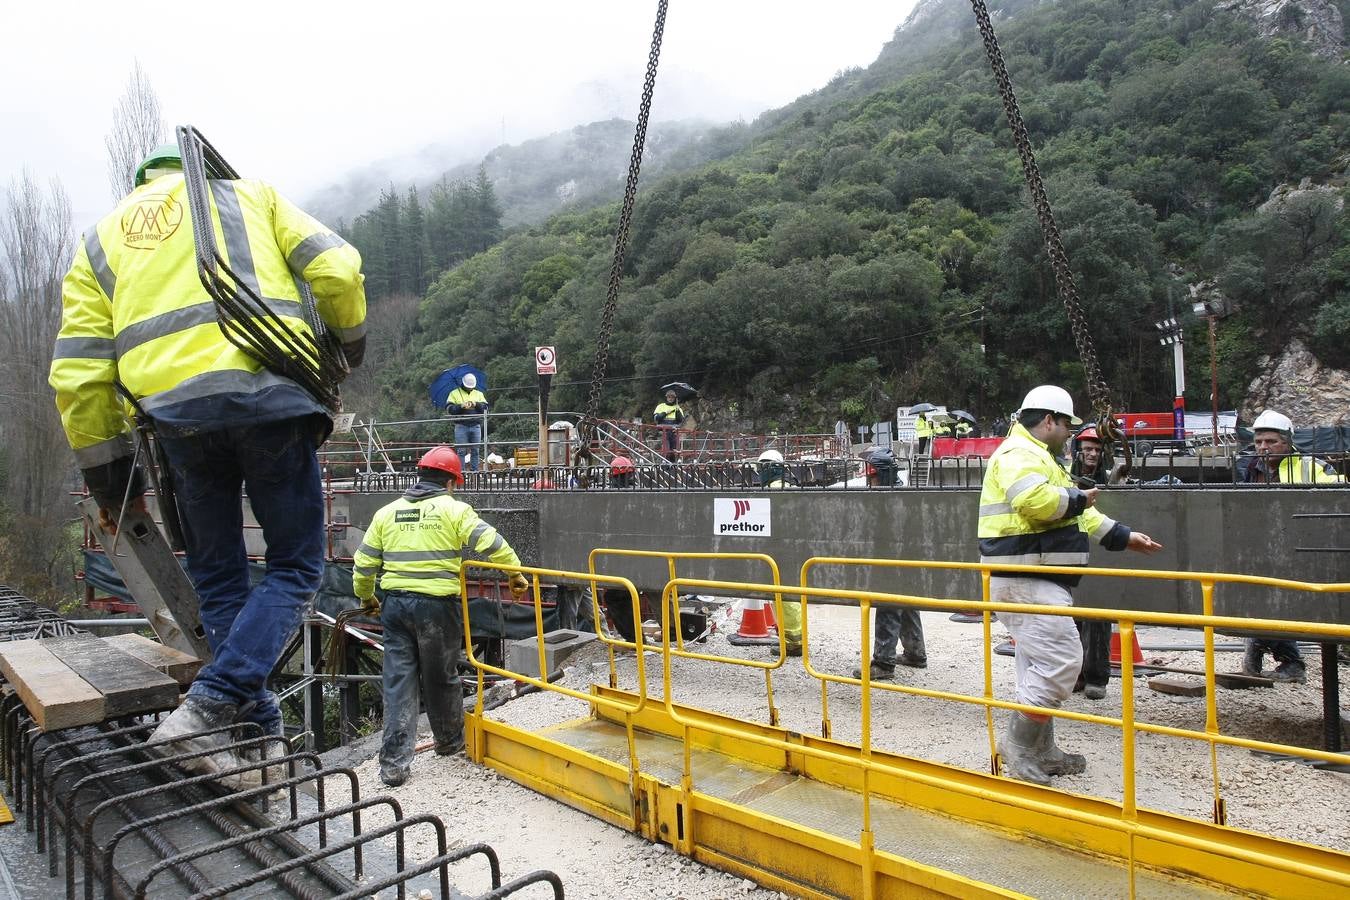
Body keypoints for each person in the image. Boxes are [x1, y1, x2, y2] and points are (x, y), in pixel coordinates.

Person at [49, 143, 367, 787]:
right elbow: (337, 268)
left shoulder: (100, 242)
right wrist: (350, 344)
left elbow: (79, 375)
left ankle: (257, 738)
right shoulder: (251, 196)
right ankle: (209, 709)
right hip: (272, 403)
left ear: (141, 184)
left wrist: (113, 485)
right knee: (297, 568)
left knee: (219, 580)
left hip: (178, 428)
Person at [978, 385, 1162, 785]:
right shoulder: (1018, 455)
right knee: (1062, 661)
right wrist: (1077, 498)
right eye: (1066, 425)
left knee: (1037, 665)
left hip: (1034, 576)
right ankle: (1020, 748)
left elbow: (1078, 516)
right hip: (1024, 577)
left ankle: (1042, 750)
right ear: (1048, 421)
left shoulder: (1042, 458)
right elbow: (1039, 504)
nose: (1070, 434)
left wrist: (1121, 535)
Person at [353, 446, 529, 787]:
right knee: (440, 676)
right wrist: (514, 572)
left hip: (394, 606)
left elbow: (363, 564)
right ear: (450, 481)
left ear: (420, 476)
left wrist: (366, 596)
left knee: (398, 681)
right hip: (436, 607)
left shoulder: (387, 513)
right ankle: (449, 741)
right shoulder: (453, 510)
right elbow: (490, 542)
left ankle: (393, 765)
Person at [1238, 409, 1344, 683]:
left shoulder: (1311, 467)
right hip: (1264, 549)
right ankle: (1267, 649)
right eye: (1259, 441)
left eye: (1271, 441)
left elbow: (1341, 497)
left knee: (1282, 603)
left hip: (1301, 550)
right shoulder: (1249, 469)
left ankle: (1285, 658)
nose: (1263, 447)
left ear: (1287, 442)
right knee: (1261, 599)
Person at [1068, 425, 1112, 700]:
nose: (1092, 454)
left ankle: (1096, 677)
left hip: (1100, 546)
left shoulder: (1109, 479)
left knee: (1098, 617)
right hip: (1072, 549)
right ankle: (1077, 673)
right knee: (1071, 618)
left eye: (1096, 449)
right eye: (1088, 449)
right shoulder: (1066, 477)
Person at [446, 373, 488, 472]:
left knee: (475, 451)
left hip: (476, 425)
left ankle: (475, 472)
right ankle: (461, 473)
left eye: (471, 387)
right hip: (461, 425)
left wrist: (476, 404)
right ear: (463, 384)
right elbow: (449, 409)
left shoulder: (479, 394)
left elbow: (486, 409)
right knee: (461, 451)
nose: (470, 389)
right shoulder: (454, 393)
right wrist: (460, 406)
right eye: (468, 387)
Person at [653, 390, 684, 462]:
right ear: (666, 397)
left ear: (674, 398)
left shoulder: (678, 408)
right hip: (664, 431)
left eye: (672, 397)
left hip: (673, 432)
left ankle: (673, 467)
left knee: (674, 451)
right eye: (669, 397)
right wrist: (665, 413)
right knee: (666, 450)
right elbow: (656, 418)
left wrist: (677, 411)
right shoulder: (661, 406)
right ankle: (665, 466)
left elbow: (680, 420)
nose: (670, 398)